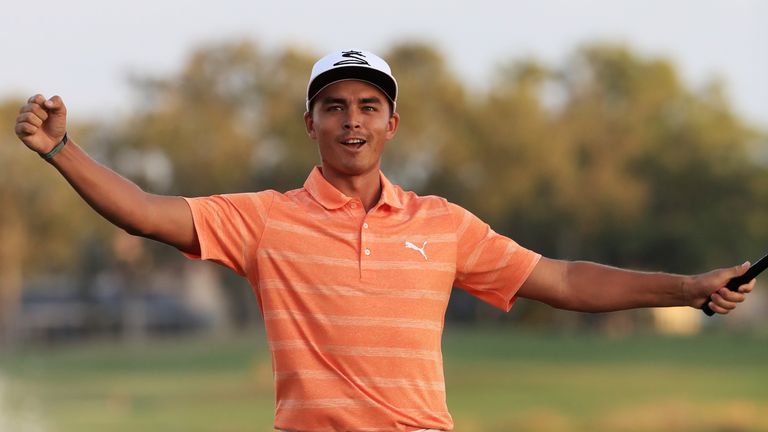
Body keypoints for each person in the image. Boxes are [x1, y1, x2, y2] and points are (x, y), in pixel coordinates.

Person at [14, 49, 754, 432]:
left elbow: (561, 280)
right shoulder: (265, 220)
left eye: (369, 105)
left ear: (392, 123)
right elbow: (145, 211)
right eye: (333, 107)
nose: (352, 120)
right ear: (310, 124)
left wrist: (687, 289)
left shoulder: (442, 223)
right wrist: (62, 149)